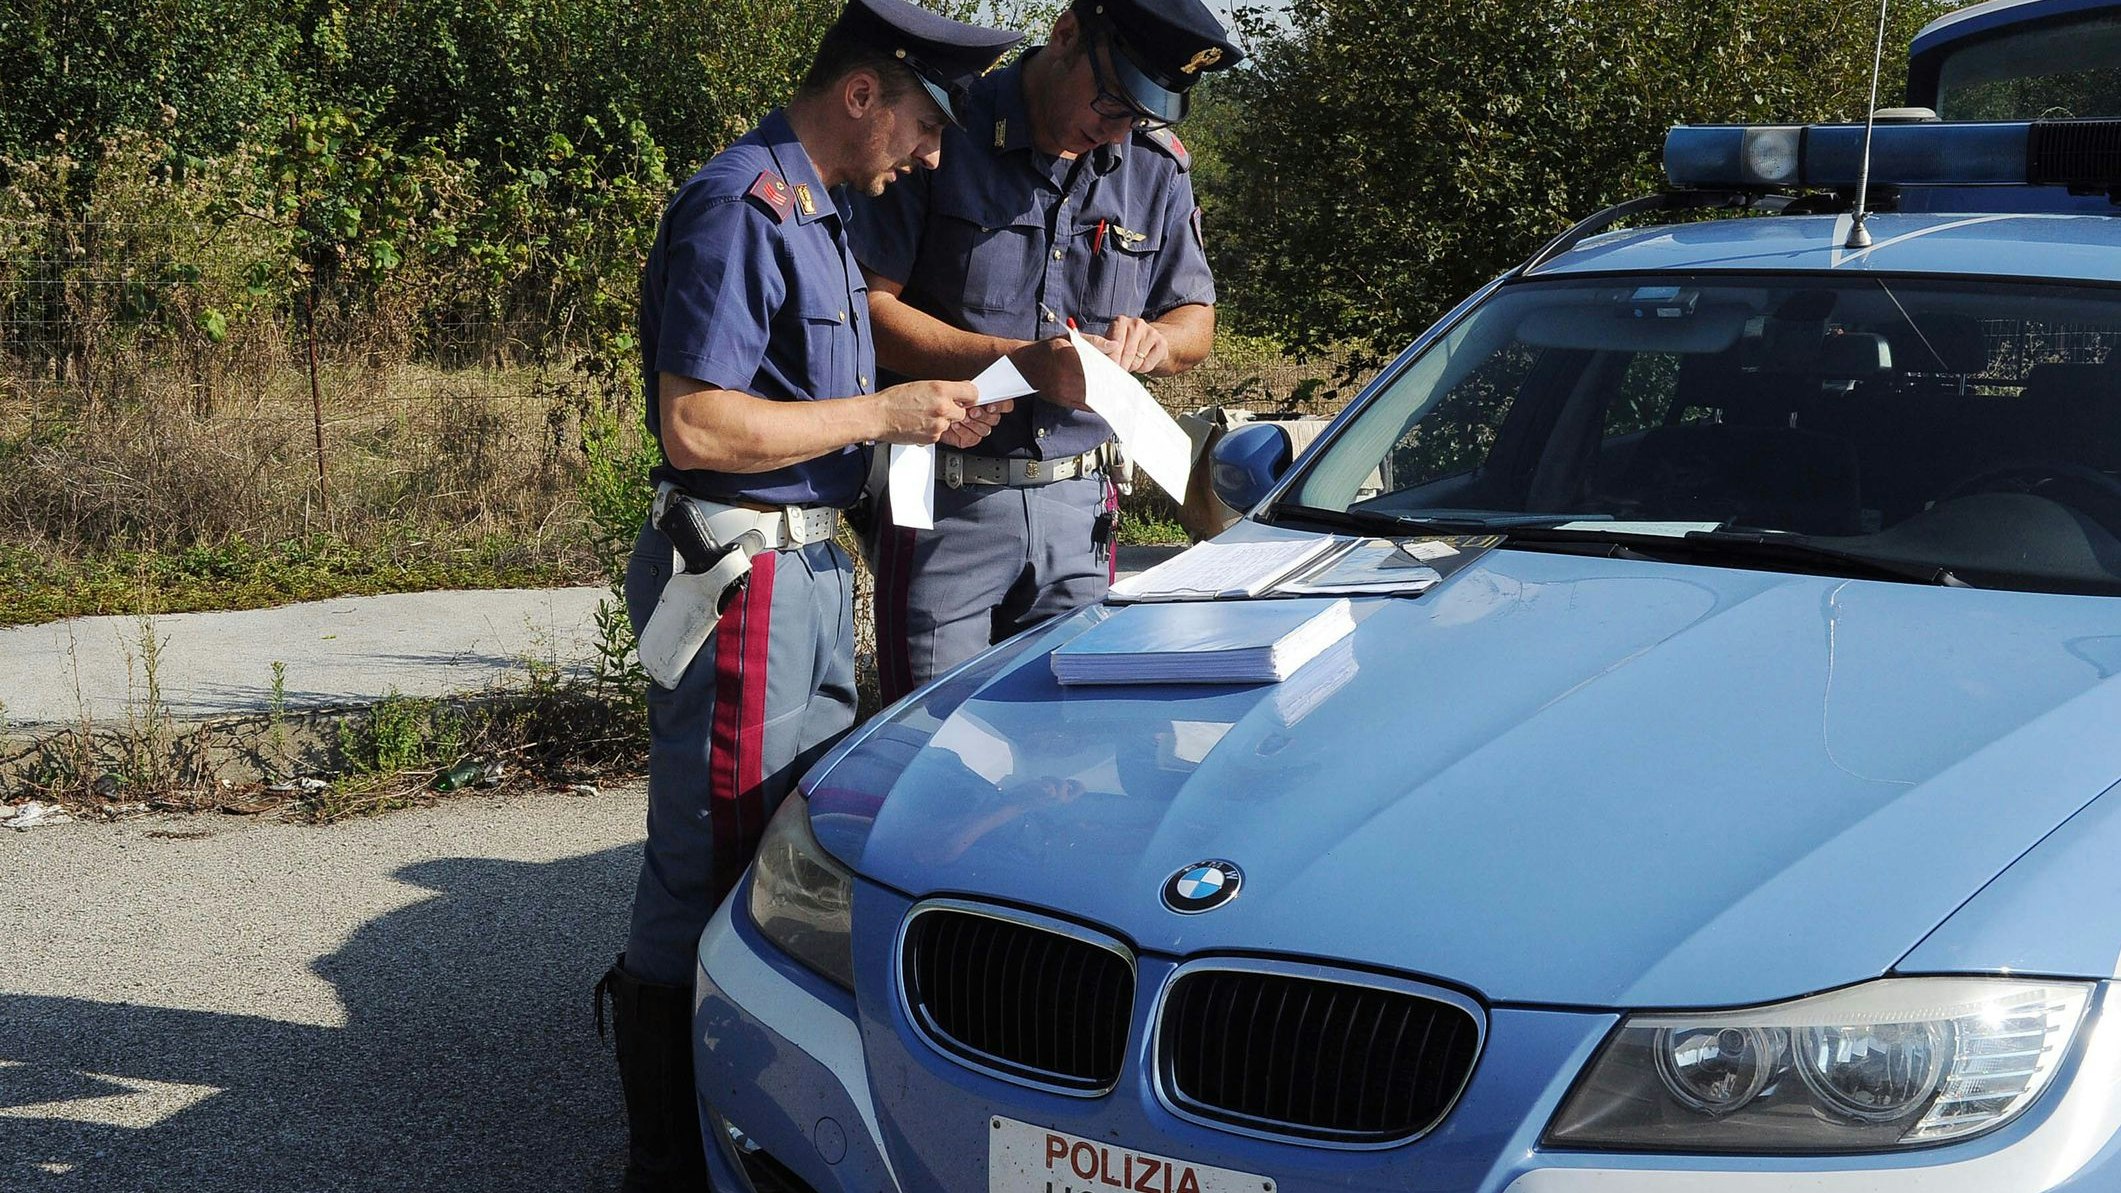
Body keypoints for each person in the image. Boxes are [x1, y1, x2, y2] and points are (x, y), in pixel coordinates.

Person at [594, 2, 1022, 1188]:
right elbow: (697, 420)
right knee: (715, 860)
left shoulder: (826, 218)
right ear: (862, 94)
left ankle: (752, 1116)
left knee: (794, 855)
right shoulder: (744, 206)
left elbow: (807, 413)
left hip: (809, 563)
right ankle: (668, 1156)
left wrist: (918, 419)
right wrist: (884, 411)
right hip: (749, 575)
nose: (935, 153)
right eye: (929, 123)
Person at [853, 0, 1241, 704]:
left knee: (1068, 747)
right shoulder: (942, 131)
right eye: (1110, 99)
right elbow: (870, 313)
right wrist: (1025, 363)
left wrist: (1155, 343)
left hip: (1080, 509)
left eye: (1137, 114)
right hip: (946, 494)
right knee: (931, 741)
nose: (1116, 127)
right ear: (1065, 34)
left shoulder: (1153, 166)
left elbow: (1196, 320)